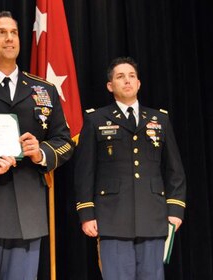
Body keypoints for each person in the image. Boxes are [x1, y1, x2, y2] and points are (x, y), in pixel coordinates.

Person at [0, 11, 74, 279]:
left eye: (14, 33)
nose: (9, 39)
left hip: (27, 212)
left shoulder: (44, 90)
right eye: (1, 33)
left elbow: (64, 142)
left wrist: (40, 152)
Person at [74, 56, 186, 280]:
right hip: (112, 217)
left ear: (139, 83)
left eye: (132, 76)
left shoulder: (159, 119)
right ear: (110, 85)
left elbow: (175, 170)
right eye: (120, 76)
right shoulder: (96, 119)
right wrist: (86, 212)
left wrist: (175, 210)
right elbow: (84, 171)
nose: (127, 81)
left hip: (153, 217)